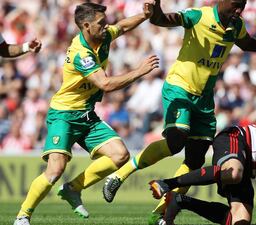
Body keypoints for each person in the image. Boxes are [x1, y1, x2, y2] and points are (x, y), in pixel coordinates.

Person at [103, 0, 256, 223]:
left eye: (242, 5)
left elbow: (252, 46)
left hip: (204, 99)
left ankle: (163, 210)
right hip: (180, 88)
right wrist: (156, 8)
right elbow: (162, 20)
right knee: (176, 141)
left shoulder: (236, 26)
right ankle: (119, 174)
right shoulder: (198, 16)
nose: (238, 10)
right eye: (235, 4)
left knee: (195, 159)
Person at [13, 2, 159, 225]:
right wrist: (139, 71)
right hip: (64, 115)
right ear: (86, 26)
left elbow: (122, 26)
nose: (106, 25)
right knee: (55, 170)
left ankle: (73, 189)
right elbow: (106, 84)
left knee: (120, 155)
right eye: (101, 23)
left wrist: (145, 15)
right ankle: (23, 216)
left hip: (86, 114)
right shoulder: (81, 54)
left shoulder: (102, 36)